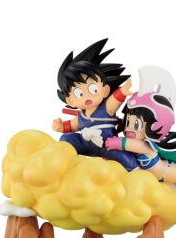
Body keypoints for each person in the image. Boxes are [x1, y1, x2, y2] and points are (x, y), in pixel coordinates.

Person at [105, 91, 176, 196]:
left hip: (167, 171)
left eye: (136, 124)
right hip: (155, 179)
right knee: (166, 192)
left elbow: (130, 145)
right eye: (127, 121)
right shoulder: (135, 144)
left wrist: (117, 142)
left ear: (156, 126)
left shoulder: (146, 146)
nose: (129, 128)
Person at [52, 38, 139, 171]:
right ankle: (67, 163)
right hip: (85, 144)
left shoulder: (106, 109)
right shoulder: (81, 116)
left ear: (105, 90)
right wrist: (61, 126)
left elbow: (115, 99)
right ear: (70, 101)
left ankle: (135, 170)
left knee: (124, 158)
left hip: (107, 146)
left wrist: (122, 91)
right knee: (66, 138)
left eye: (93, 89)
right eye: (79, 93)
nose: (87, 96)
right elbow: (72, 126)